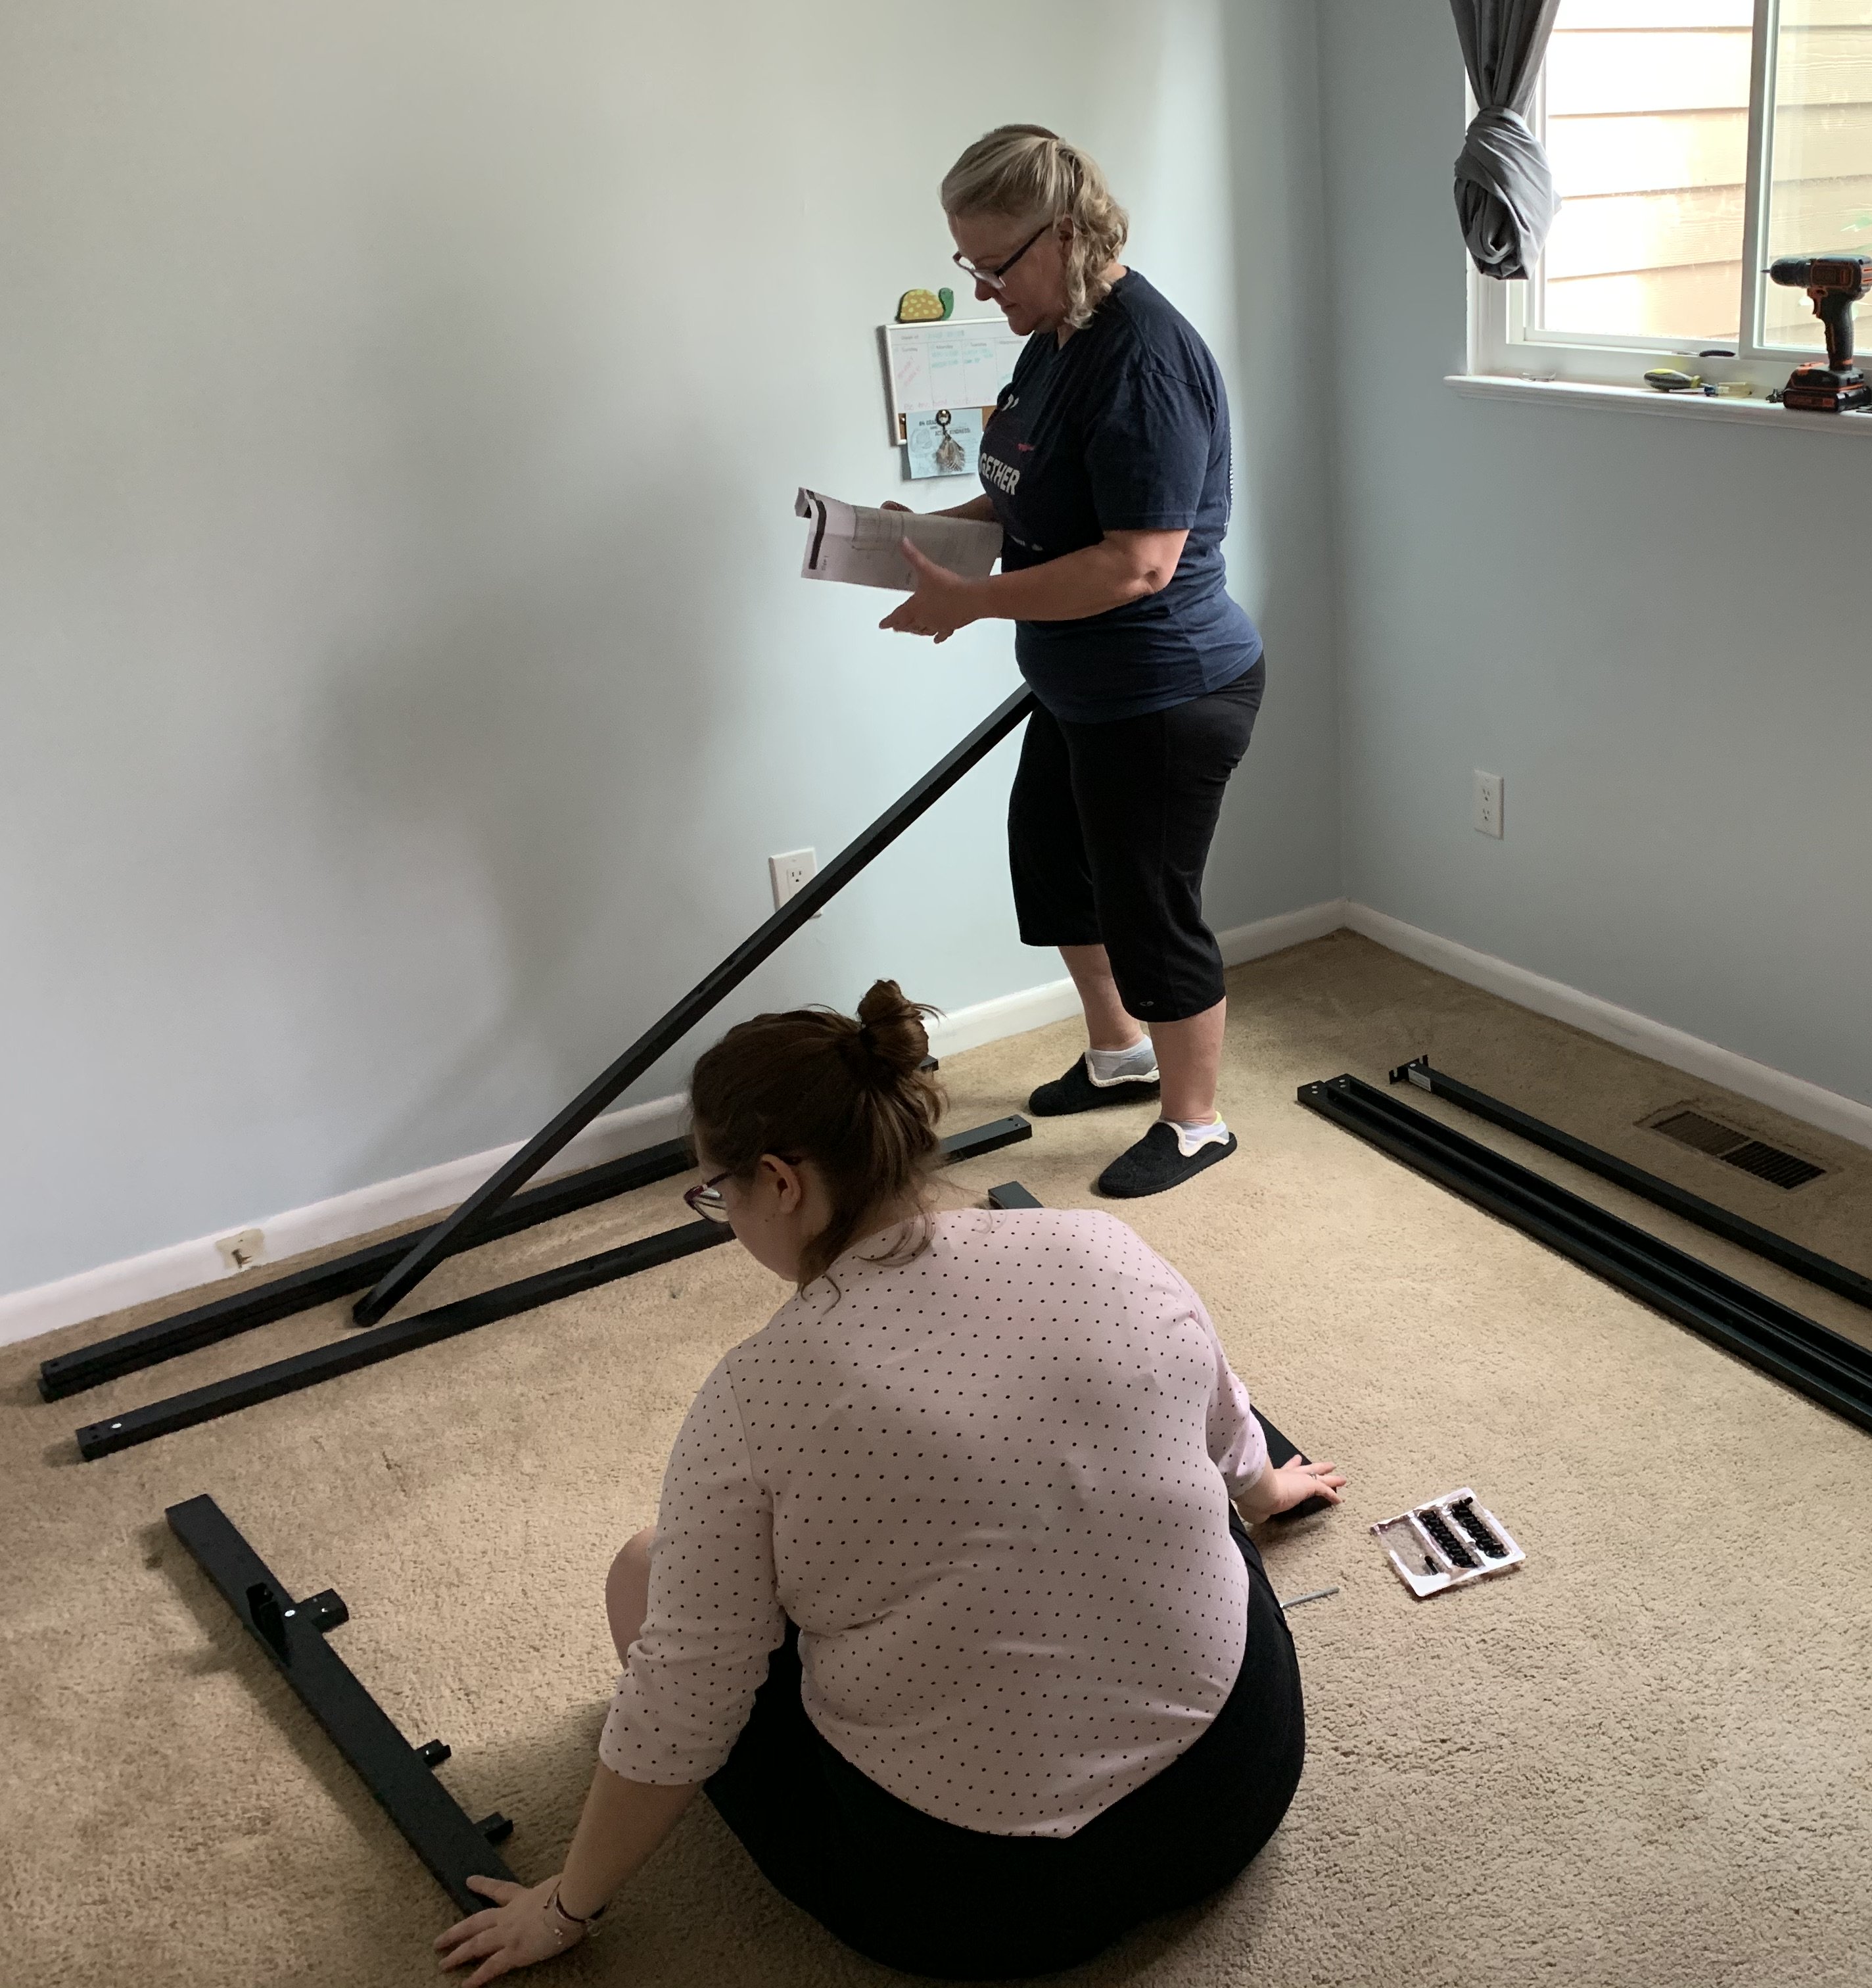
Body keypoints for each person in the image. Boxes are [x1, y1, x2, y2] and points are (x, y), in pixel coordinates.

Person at [434, 982, 1346, 1983]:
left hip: (973, 1906)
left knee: (642, 1577)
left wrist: (565, 1907)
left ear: (779, 1181)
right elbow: (1221, 1419)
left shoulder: (757, 1396)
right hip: (1232, 1790)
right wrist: (1265, 1495)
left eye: (717, 1194)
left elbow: (684, 1700)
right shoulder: (1101, 1246)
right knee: (1158, 1487)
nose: (725, 1218)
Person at [879, 126, 1267, 1199]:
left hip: (1166, 687)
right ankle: (1119, 1054)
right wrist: (918, 536)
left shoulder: (1144, 359)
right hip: (1079, 681)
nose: (982, 289)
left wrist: (970, 603)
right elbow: (1026, 495)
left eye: (995, 265)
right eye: (967, 264)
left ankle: (1196, 1123)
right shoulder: (1053, 338)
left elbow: (1137, 564)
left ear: (1064, 235)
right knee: (1052, 872)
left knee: (1149, 907)